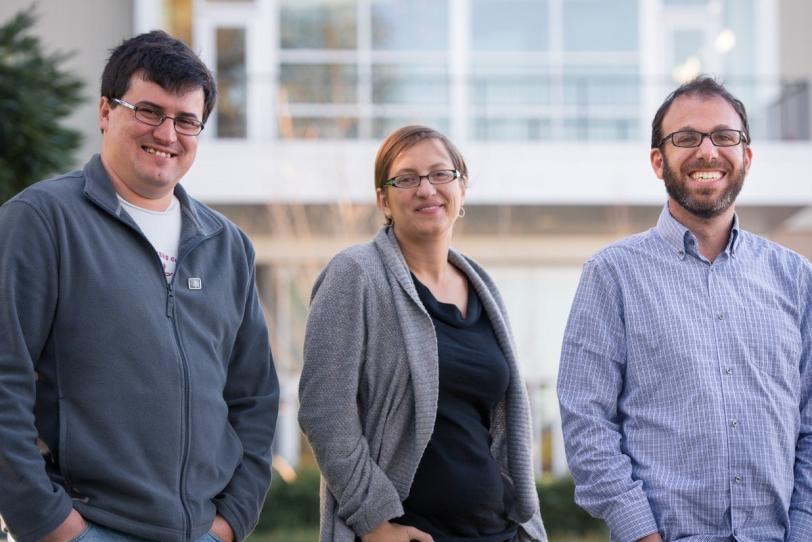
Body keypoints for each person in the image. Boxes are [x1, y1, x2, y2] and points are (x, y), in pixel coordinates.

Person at [0, 31, 279, 542]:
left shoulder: (227, 245)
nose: (168, 133)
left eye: (186, 120)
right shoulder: (41, 221)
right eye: (149, 111)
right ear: (106, 111)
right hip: (88, 529)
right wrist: (49, 524)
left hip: (202, 532)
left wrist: (232, 519)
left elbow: (255, 396)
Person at [557, 76, 812, 542]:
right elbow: (586, 421)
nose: (708, 151)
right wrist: (641, 533)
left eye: (725, 136)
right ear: (659, 161)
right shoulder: (612, 275)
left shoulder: (796, 278)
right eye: (686, 138)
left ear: (747, 157)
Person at [298, 125, 547, 542]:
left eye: (440, 175)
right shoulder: (355, 275)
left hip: (496, 531)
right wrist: (375, 522)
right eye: (407, 178)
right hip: (409, 533)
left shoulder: (482, 285)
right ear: (384, 199)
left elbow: (499, 424)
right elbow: (325, 411)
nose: (426, 189)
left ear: (462, 187)